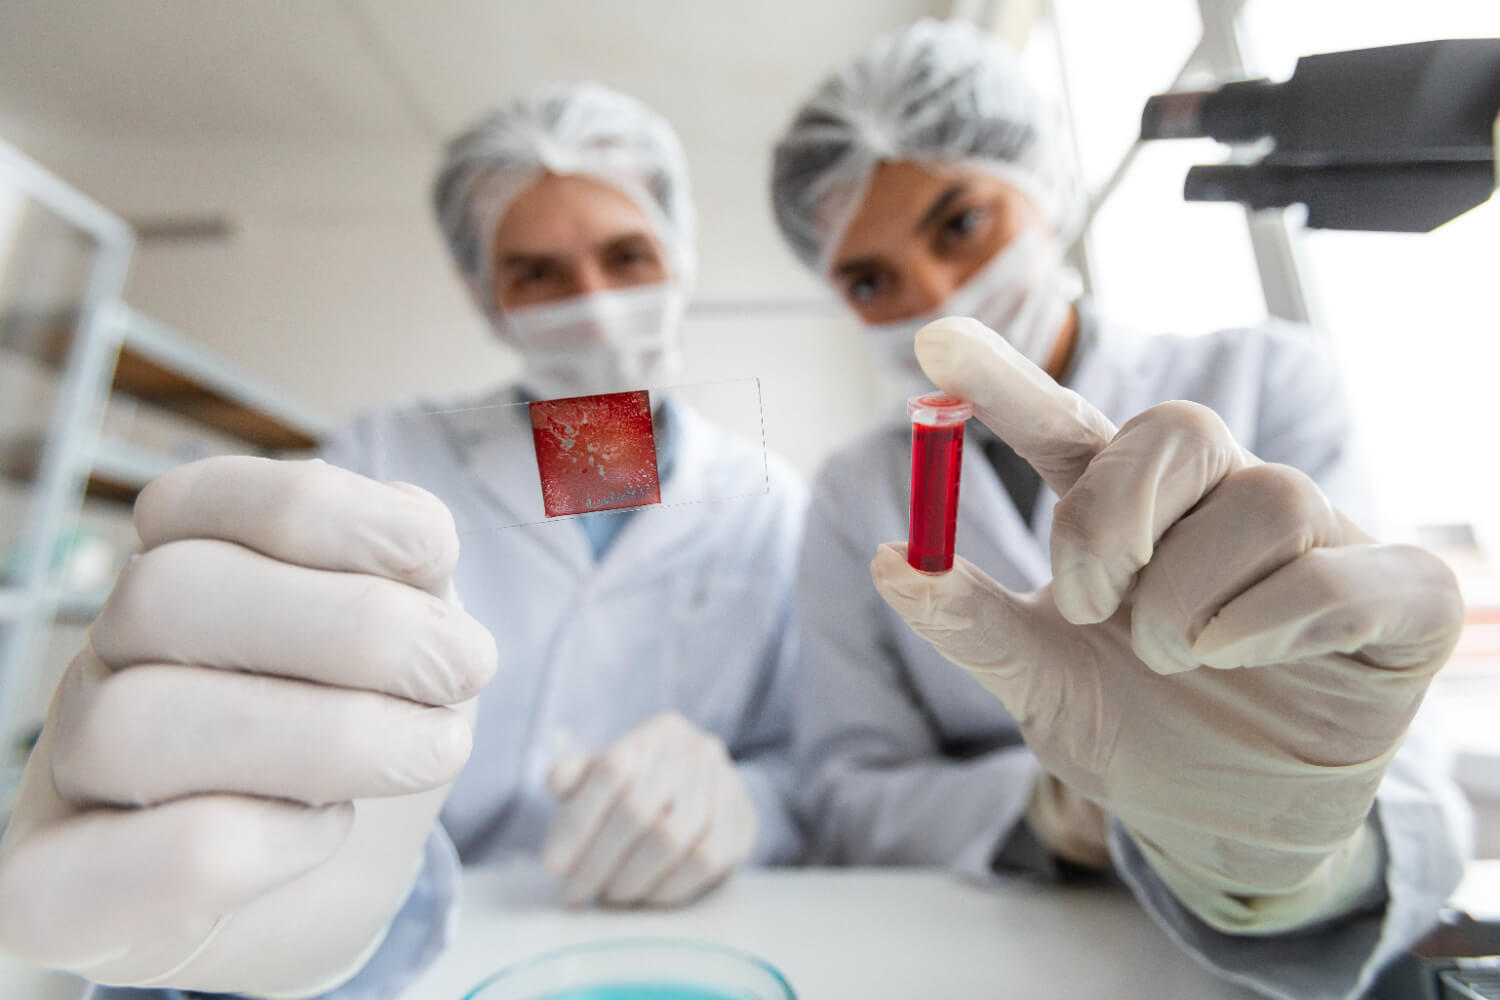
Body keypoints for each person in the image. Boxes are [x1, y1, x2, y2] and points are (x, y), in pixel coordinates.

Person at [0, 82, 805, 998]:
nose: (592, 304)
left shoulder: (768, 503)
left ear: (681, 256)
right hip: (405, 940)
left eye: (627, 257)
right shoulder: (387, 454)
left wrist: (746, 806)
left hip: (673, 944)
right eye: (536, 272)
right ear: (483, 294)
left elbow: (803, 759)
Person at [770, 18, 1471, 1000]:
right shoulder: (855, 488)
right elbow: (847, 792)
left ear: (1042, 185)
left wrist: (1278, 852)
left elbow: (1390, 744)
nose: (933, 293)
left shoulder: (1265, 377)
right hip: (989, 949)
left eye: (960, 223)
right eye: (870, 278)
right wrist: (1067, 806)